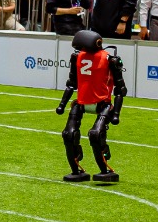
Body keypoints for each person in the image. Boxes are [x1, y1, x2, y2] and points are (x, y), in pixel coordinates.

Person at [54, 29, 127, 183]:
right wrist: (62, 104)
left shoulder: (110, 59)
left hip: (103, 103)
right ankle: (76, 170)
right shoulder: (77, 57)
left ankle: (105, 169)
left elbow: (120, 90)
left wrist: (116, 113)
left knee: (95, 134)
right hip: (81, 101)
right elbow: (71, 84)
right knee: (68, 134)